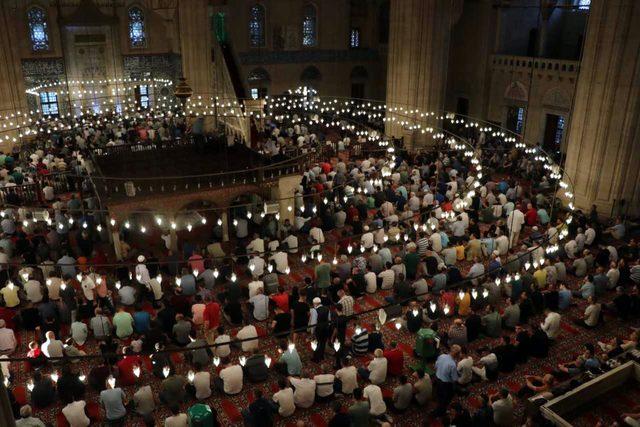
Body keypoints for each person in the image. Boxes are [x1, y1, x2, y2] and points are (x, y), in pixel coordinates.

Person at [433, 345, 460, 416]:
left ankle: (436, 399)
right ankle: (439, 412)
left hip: (437, 379)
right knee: (444, 400)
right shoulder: (452, 365)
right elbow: (454, 379)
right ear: (457, 355)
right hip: (445, 384)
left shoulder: (442, 356)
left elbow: (435, 367)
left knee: (438, 393)